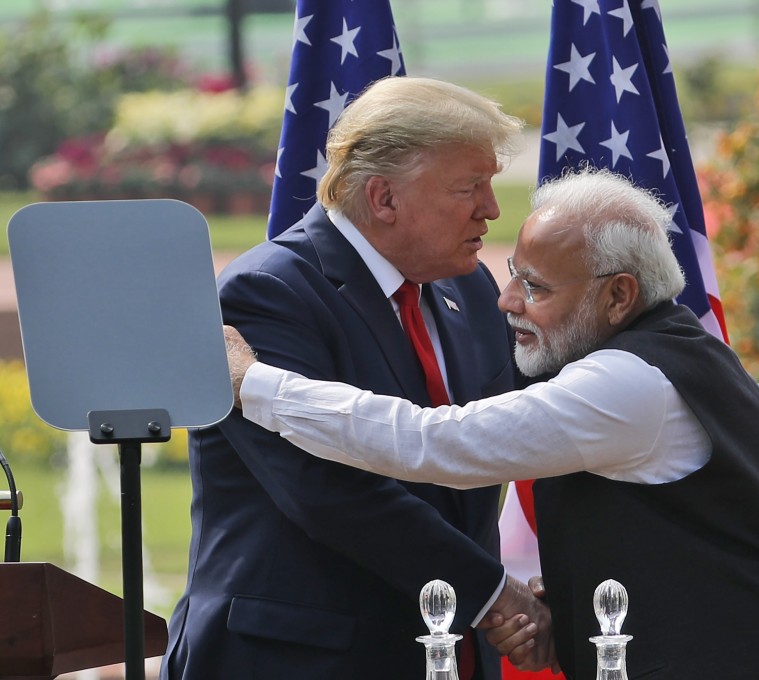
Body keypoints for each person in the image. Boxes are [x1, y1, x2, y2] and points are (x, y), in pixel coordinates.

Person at [225, 168, 759, 679]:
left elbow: (434, 442)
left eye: (536, 287)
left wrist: (256, 385)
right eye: (513, 275)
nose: (506, 300)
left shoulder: (623, 382)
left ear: (618, 295)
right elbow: (669, 447)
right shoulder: (673, 351)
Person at [161, 76, 554, 680]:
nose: (492, 208)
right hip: (299, 659)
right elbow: (328, 489)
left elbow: (525, 426)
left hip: (444, 651)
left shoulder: (468, 286)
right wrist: (492, 595)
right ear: (384, 199)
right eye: (468, 187)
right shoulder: (269, 293)